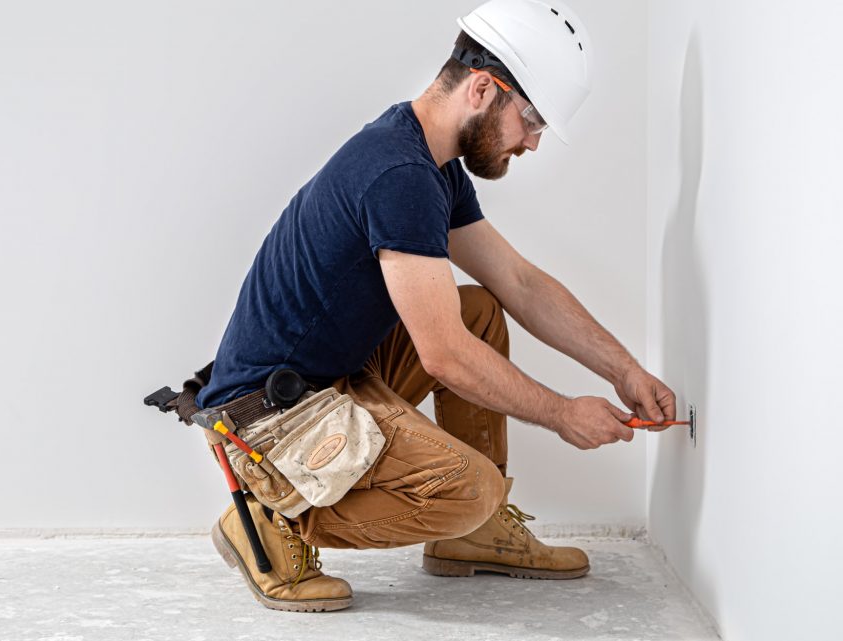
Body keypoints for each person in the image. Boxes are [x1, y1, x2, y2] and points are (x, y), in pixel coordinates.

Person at [196, 0, 676, 612]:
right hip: (269, 418)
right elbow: (444, 357)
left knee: (475, 307)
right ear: (483, 89)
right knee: (467, 489)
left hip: (333, 378)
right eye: (531, 121)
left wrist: (624, 371)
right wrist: (561, 413)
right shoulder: (400, 173)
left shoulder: (430, 162)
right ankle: (267, 519)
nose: (532, 143)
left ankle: (476, 537)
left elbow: (519, 283)